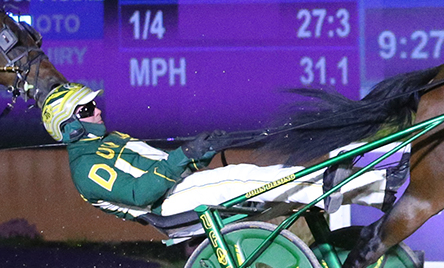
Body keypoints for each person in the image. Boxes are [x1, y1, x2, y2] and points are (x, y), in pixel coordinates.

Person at [40, 83, 388, 230]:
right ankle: (358, 187)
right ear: (70, 128)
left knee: (253, 174)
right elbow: (141, 194)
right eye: (86, 109)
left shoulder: (110, 141)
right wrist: (183, 155)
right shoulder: (86, 167)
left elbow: (167, 170)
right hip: (166, 209)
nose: (98, 110)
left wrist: (200, 153)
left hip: (179, 191)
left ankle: (375, 188)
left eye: (94, 104)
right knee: (244, 179)